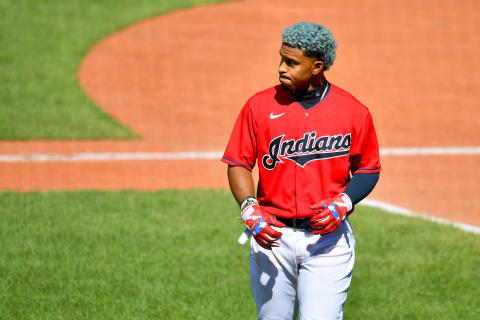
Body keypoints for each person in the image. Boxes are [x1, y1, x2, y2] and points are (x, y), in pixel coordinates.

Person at [221, 22, 381, 320]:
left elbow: (368, 168)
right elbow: (238, 162)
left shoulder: (353, 111)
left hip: (327, 242)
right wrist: (248, 207)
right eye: (281, 59)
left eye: (291, 62)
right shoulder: (258, 106)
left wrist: (344, 203)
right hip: (272, 237)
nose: (281, 68)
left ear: (317, 66)